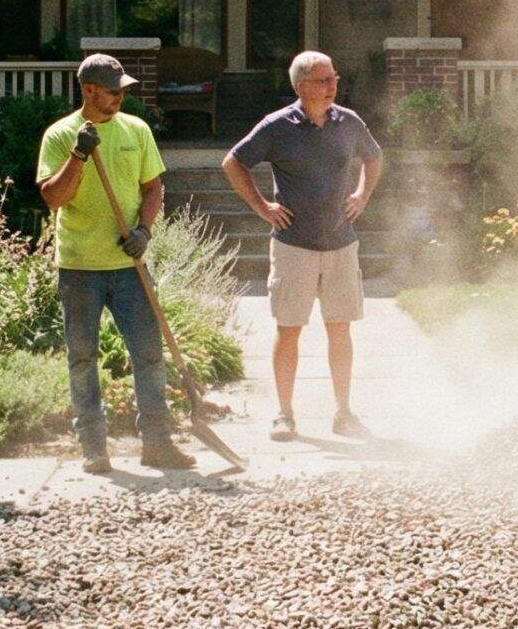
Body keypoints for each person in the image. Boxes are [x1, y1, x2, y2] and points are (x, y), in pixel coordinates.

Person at [36, 52, 192, 473]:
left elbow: (153, 188)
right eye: (112, 90)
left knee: (148, 353)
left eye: (122, 90)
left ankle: (157, 443)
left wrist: (144, 231)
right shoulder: (59, 136)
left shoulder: (136, 130)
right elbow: (54, 198)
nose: (121, 96)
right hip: (79, 266)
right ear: (88, 91)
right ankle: (94, 448)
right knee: (82, 358)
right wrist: (80, 155)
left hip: (129, 266)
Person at [222, 50, 382, 441]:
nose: (332, 86)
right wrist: (263, 207)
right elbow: (233, 162)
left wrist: (362, 195)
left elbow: (374, 157)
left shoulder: (348, 122)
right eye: (323, 80)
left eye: (334, 78)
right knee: (289, 328)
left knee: (339, 329)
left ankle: (344, 413)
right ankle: (284, 414)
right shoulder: (277, 127)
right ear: (301, 87)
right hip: (293, 245)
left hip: (341, 243)